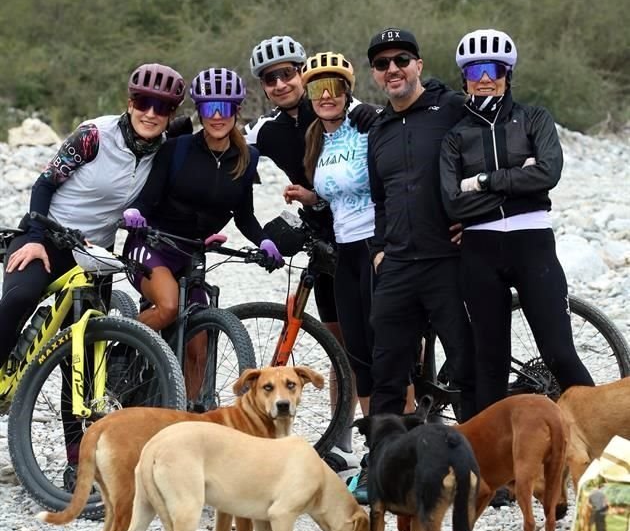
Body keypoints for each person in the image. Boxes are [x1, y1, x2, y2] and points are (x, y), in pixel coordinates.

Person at [440, 28, 594, 412]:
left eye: (494, 69)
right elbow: (453, 206)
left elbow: (547, 174)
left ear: (508, 74)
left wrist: (483, 181)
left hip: (533, 247)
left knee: (560, 354)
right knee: (489, 366)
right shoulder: (456, 137)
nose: (486, 79)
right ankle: (501, 469)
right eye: (476, 71)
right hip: (479, 254)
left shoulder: (533, 118)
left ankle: (616, 458)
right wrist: (518, 182)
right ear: (465, 79)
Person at [0, 61, 186, 374]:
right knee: (19, 299)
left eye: (163, 107)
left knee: (85, 355)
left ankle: (79, 425)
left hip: (94, 255)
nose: (151, 113)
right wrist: (33, 239)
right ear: (130, 104)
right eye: (143, 103)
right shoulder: (94, 135)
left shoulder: (164, 152)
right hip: (48, 238)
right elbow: (45, 183)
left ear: (171, 115)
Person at [245, 35, 378, 467]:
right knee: (343, 346)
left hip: (367, 232)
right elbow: (230, 165)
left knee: (389, 339)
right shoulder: (267, 129)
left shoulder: (337, 107)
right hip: (324, 239)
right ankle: (344, 444)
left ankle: (401, 428)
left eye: (288, 73)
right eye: (271, 78)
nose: (281, 84)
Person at [366, 27, 476, 421]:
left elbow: (487, 155)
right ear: (375, 74)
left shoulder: (450, 108)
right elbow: (380, 198)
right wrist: (378, 249)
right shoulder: (378, 130)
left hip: (447, 259)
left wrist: (474, 218)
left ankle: (485, 470)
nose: (392, 69)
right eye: (382, 64)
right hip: (396, 266)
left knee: (469, 368)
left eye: (401, 60)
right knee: (388, 373)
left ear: (419, 65)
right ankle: (381, 466)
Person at [122, 66, 283, 336]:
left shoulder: (248, 158)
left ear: (236, 110)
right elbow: (147, 200)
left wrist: (264, 241)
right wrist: (134, 212)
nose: (217, 116)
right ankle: (118, 353)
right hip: (152, 246)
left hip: (192, 255)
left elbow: (244, 216)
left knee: (200, 341)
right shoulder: (176, 149)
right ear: (199, 111)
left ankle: (179, 379)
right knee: (169, 306)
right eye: (209, 109)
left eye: (224, 108)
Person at [283, 51, 375, 416]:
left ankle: (409, 435)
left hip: (375, 244)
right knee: (357, 354)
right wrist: (312, 197)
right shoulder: (317, 136)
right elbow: (337, 189)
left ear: (348, 91)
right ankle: (378, 444)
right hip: (344, 250)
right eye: (318, 87)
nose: (326, 95)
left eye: (334, 87)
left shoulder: (367, 124)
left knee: (385, 349)